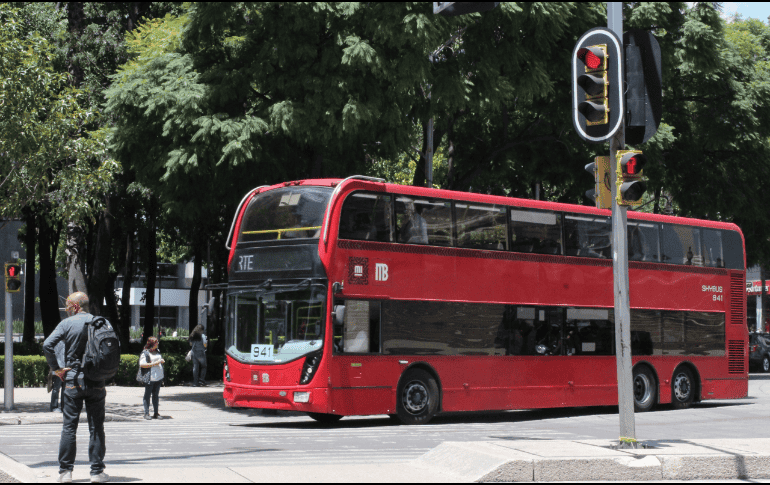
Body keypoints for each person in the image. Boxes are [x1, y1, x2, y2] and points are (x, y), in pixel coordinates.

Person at [43, 292, 109, 484]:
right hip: (96, 381)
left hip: (73, 379)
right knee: (96, 427)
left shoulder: (67, 324)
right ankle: (96, 473)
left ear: (77, 306)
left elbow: (48, 345)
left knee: (69, 427)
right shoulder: (101, 322)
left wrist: (56, 369)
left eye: (68, 306)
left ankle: (65, 473)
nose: (66, 309)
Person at [139, 337, 165, 420]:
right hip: (150, 377)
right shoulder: (145, 353)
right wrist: (154, 363)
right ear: (152, 344)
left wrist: (161, 360)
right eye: (156, 342)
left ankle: (156, 413)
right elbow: (142, 364)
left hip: (159, 377)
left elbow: (159, 360)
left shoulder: (158, 351)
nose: (158, 344)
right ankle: (146, 413)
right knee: (147, 395)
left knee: (156, 395)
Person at [48, 340, 65, 413]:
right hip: (60, 368)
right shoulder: (59, 343)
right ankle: (54, 407)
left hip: (64, 368)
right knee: (56, 388)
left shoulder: (66, 342)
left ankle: (63, 406)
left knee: (63, 388)